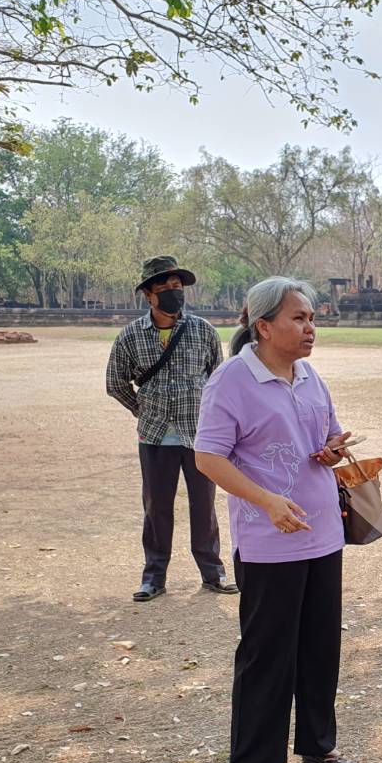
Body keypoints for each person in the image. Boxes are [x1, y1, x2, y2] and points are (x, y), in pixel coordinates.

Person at [193, 278, 358, 763]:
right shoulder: (232, 381)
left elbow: (323, 438)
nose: (310, 328)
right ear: (263, 326)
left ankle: (318, 745)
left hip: (322, 532)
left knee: (319, 645)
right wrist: (266, 501)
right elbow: (208, 457)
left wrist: (331, 451)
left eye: (312, 318)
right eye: (299, 319)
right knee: (267, 652)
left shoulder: (310, 376)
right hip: (269, 540)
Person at [106, 255, 237, 602]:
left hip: (200, 436)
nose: (171, 292)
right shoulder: (130, 337)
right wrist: (142, 410)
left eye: (176, 286)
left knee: (204, 507)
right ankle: (154, 577)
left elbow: (216, 381)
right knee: (156, 508)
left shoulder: (202, 331)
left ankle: (213, 572)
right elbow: (115, 383)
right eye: (163, 287)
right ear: (148, 295)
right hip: (155, 436)